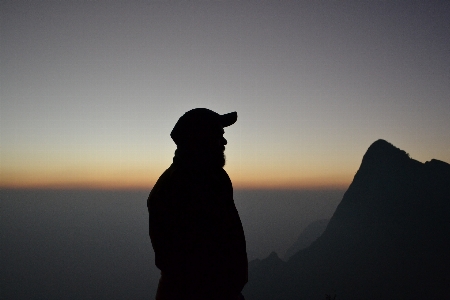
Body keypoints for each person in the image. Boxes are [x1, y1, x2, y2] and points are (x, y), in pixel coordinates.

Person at [147, 108, 248, 300]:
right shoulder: (180, 188)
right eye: (218, 134)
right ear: (201, 139)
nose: (224, 141)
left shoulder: (209, 178)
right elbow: (189, 263)